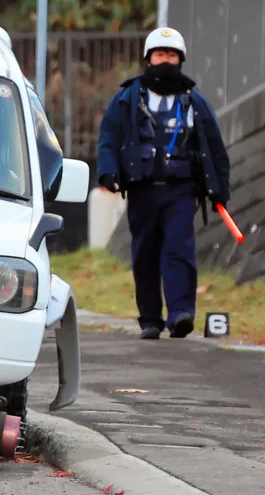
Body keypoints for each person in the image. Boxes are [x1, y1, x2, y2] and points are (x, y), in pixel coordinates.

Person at [96, 27, 231, 340]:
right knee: (144, 254)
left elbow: (215, 146)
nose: (166, 60)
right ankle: (151, 319)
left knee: (178, 249)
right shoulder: (127, 98)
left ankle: (181, 312)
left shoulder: (194, 101)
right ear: (148, 59)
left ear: (180, 60)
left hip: (181, 191)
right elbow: (108, 138)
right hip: (142, 189)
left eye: (172, 55)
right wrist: (108, 172)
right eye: (160, 54)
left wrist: (220, 188)